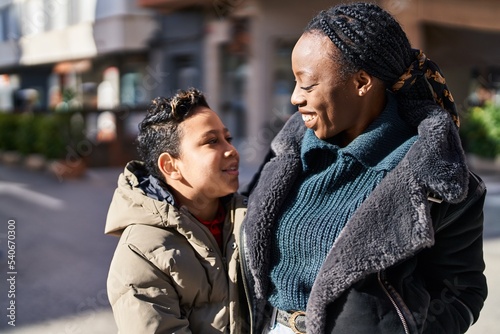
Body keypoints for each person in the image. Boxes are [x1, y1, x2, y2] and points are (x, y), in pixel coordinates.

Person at [240, 3, 487, 334]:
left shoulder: (439, 180)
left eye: (308, 84)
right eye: (295, 83)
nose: (295, 98)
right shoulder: (285, 158)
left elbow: (461, 290)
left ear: (361, 82)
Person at [105, 88, 248, 333]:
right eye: (212, 141)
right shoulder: (141, 252)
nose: (231, 150)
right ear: (171, 166)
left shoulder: (251, 217)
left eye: (228, 138)